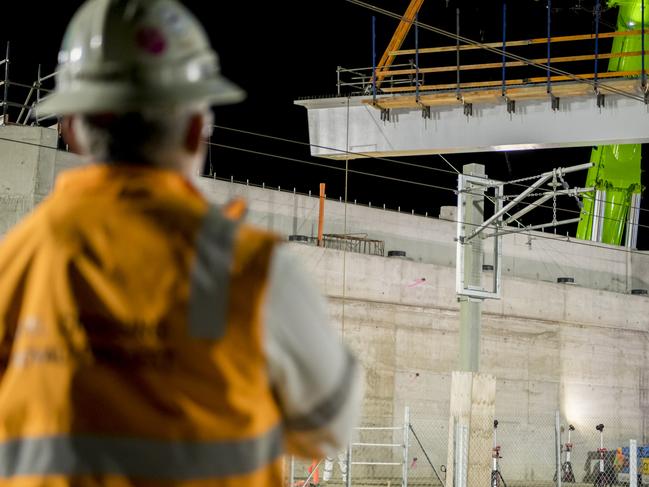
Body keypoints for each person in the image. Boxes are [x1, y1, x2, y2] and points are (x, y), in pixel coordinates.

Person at [0, 0, 362, 486]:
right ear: (197, 130)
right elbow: (328, 429)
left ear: (70, 129)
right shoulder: (246, 268)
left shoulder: (14, 262)